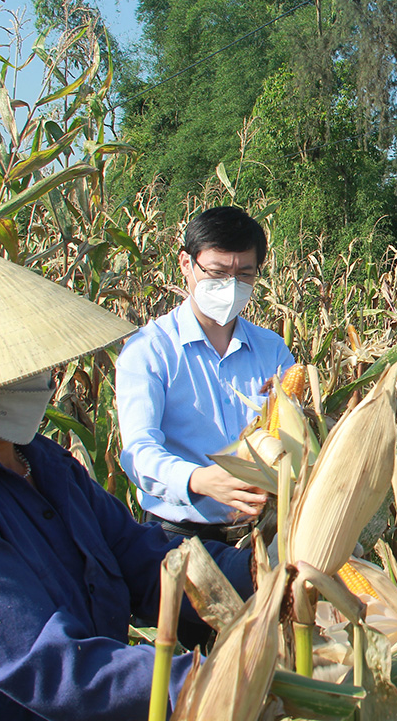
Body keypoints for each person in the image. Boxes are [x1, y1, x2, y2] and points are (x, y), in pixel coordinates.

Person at [0, 233, 254, 720]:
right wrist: (233, 677)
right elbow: (49, 668)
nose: (38, 378)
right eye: (10, 367)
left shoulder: (41, 461)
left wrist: (264, 579)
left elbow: (139, 557)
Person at [116, 206, 294, 543]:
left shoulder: (273, 351)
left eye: (244, 274)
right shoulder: (150, 351)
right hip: (178, 539)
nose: (231, 285)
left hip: (264, 536)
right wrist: (197, 480)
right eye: (217, 272)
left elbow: (295, 435)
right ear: (186, 264)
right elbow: (138, 451)